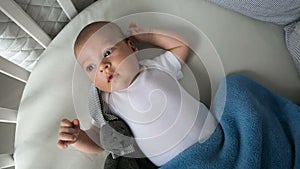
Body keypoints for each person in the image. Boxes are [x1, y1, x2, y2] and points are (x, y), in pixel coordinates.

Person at [57, 21, 214, 167]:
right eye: (91, 67)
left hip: (213, 140)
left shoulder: (156, 67)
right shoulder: (106, 104)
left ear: (132, 48)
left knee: (235, 87)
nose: (103, 67)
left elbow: (181, 46)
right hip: (174, 164)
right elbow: (99, 138)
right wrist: (78, 138)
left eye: (107, 52)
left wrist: (148, 36)